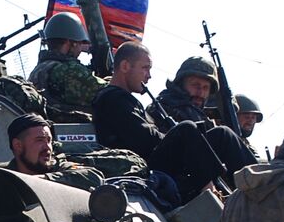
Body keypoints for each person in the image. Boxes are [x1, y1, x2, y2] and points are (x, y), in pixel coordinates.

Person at [91, 41, 257, 200]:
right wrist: (179, 137)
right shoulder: (113, 98)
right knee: (186, 129)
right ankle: (211, 192)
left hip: (152, 163)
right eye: (145, 68)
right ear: (125, 66)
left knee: (222, 134)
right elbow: (144, 140)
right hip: (141, 168)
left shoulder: (123, 99)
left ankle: (263, 182)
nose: (149, 76)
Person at [26, 12, 107, 121]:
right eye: (79, 43)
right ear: (70, 43)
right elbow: (109, 94)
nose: (80, 49)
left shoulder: (40, 69)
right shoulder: (69, 71)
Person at [1, 113, 103, 190]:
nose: (47, 147)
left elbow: (94, 177)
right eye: (39, 140)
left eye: (49, 140)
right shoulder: (2, 174)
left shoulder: (59, 167)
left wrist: (41, 180)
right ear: (18, 145)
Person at [148, 55, 220, 126]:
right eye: (195, 85)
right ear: (180, 84)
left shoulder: (202, 115)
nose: (200, 93)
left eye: (205, 87)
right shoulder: (163, 108)